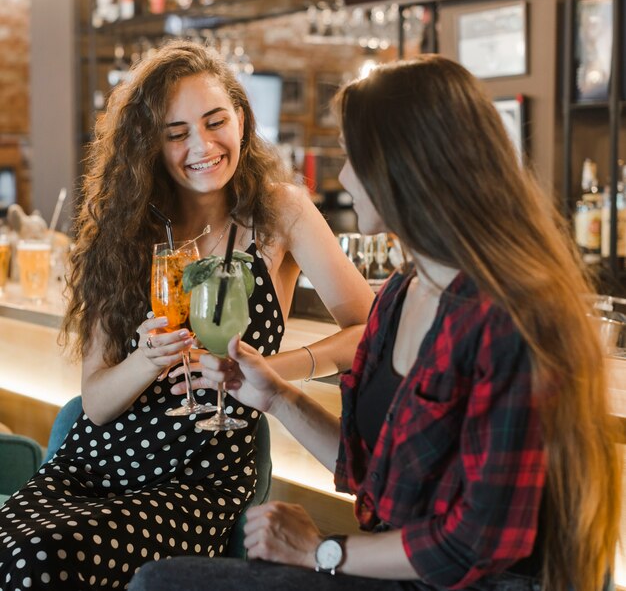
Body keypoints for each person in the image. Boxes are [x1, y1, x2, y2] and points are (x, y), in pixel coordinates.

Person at [129, 56, 621, 591]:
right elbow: (372, 471)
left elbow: (475, 544)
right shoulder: (403, 293)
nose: (342, 177)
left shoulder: (513, 317)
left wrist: (323, 552)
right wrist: (275, 397)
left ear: (405, 166)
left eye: (350, 157)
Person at [0, 40, 373, 590]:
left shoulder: (280, 212)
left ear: (241, 120)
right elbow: (98, 404)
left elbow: (370, 329)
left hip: (198, 480)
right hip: (92, 463)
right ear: (150, 145)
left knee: (40, 561)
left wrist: (273, 372)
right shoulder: (124, 232)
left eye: (215, 121)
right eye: (176, 134)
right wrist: (146, 360)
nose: (202, 145)